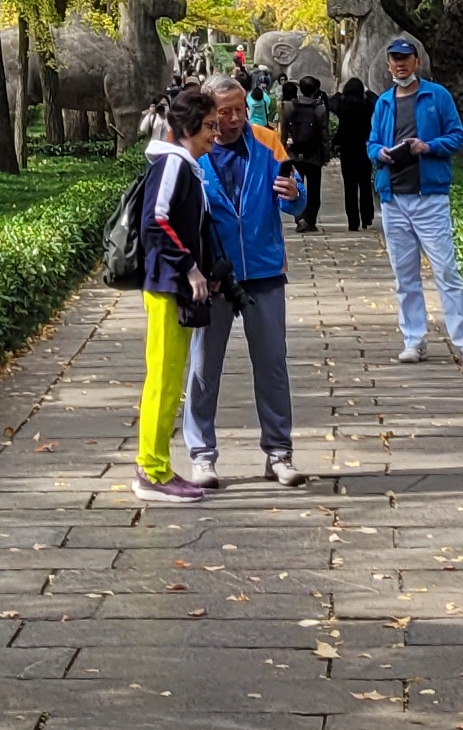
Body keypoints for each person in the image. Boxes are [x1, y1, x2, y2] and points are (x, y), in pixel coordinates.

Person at [182, 78, 305, 486]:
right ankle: (202, 454)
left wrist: (294, 193)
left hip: (264, 272)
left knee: (272, 365)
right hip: (213, 279)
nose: (234, 119)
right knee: (204, 368)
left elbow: (297, 197)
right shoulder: (192, 148)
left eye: (239, 109)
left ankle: (279, 452)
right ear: (208, 110)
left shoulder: (268, 141)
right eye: (224, 111)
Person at [134, 84, 227, 503]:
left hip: (175, 284)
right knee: (165, 379)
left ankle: (156, 466)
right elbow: (156, 221)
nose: (215, 133)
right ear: (189, 126)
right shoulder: (172, 165)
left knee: (170, 379)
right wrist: (190, 267)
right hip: (168, 285)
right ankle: (151, 471)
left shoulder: (184, 165)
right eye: (209, 125)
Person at [370, 35, 463, 364]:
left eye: (406, 57)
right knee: (404, 276)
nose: (400, 63)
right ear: (389, 64)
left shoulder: (438, 96)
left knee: (447, 270)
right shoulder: (384, 102)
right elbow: (372, 143)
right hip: (394, 198)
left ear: (417, 62)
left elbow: (458, 136)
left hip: (430, 197)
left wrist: (428, 147)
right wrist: (380, 153)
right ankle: (413, 340)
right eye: (394, 58)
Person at [280, 78, 332, 232]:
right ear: (315, 90)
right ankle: (309, 219)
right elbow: (324, 135)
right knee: (314, 189)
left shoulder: (289, 106)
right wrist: (326, 155)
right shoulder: (320, 109)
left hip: (294, 153)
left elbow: (284, 132)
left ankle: (299, 217)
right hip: (313, 154)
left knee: (297, 184)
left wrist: (282, 151)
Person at [333, 69, 377, 233]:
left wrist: (339, 92)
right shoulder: (366, 106)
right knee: (365, 184)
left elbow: (331, 102)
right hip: (364, 148)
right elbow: (376, 100)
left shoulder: (342, 107)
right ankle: (367, 218)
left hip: (347, 150)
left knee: (349, 187)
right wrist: (366, 90)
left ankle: (353, 222)